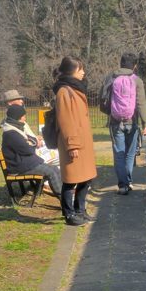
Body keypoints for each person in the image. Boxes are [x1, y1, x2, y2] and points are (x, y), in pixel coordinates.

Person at [54, 56, 98, 226]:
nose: (83, 72)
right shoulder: (64, 91)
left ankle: (80, 209)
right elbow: (66, 121)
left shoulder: (76, 89)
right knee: (71, 179)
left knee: (86, 178)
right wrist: (72, 144)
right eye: (80, 69)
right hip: (73, 143)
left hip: (83, 143)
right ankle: (69, 213)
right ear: (72, 71)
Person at [100, 53, 146, 195]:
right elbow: (141, 104)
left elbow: (102, 100)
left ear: (120, 63)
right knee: (130, 153)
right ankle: (129, 181)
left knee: (119, 153)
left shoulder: (110, 78)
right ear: (135, 66)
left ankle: (122, 185)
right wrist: (145, 124)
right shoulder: (137, 80)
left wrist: (110, 112)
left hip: (115, 122)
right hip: (131, 121)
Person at [1, 104, 62, 200]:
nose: (25, 118)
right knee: (51, 172)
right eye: (24, 115)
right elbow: (28, 150)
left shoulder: (17, 128)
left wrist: (30, 142)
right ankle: (64, 199)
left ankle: (64, 194)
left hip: (26, 162)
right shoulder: (11, 133)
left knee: (54, 168)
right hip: (19, 167)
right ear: (18, 117)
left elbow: (32, 140)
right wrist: (31, 143)